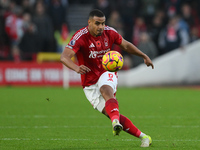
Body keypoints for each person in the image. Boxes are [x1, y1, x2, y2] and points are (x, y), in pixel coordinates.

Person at [60, 9, 154, 148]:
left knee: (105, 89)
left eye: (103, 23)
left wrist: (144, 56)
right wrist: (76, 68)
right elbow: (64, 57)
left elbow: (126, 45)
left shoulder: (110, 32)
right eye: (97, 24)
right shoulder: (80, 36)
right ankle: (144, 137)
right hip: (89, 83)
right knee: (112, 113)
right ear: (89, 22)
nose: (101, 27)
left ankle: (115, 123)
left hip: (107, 71)